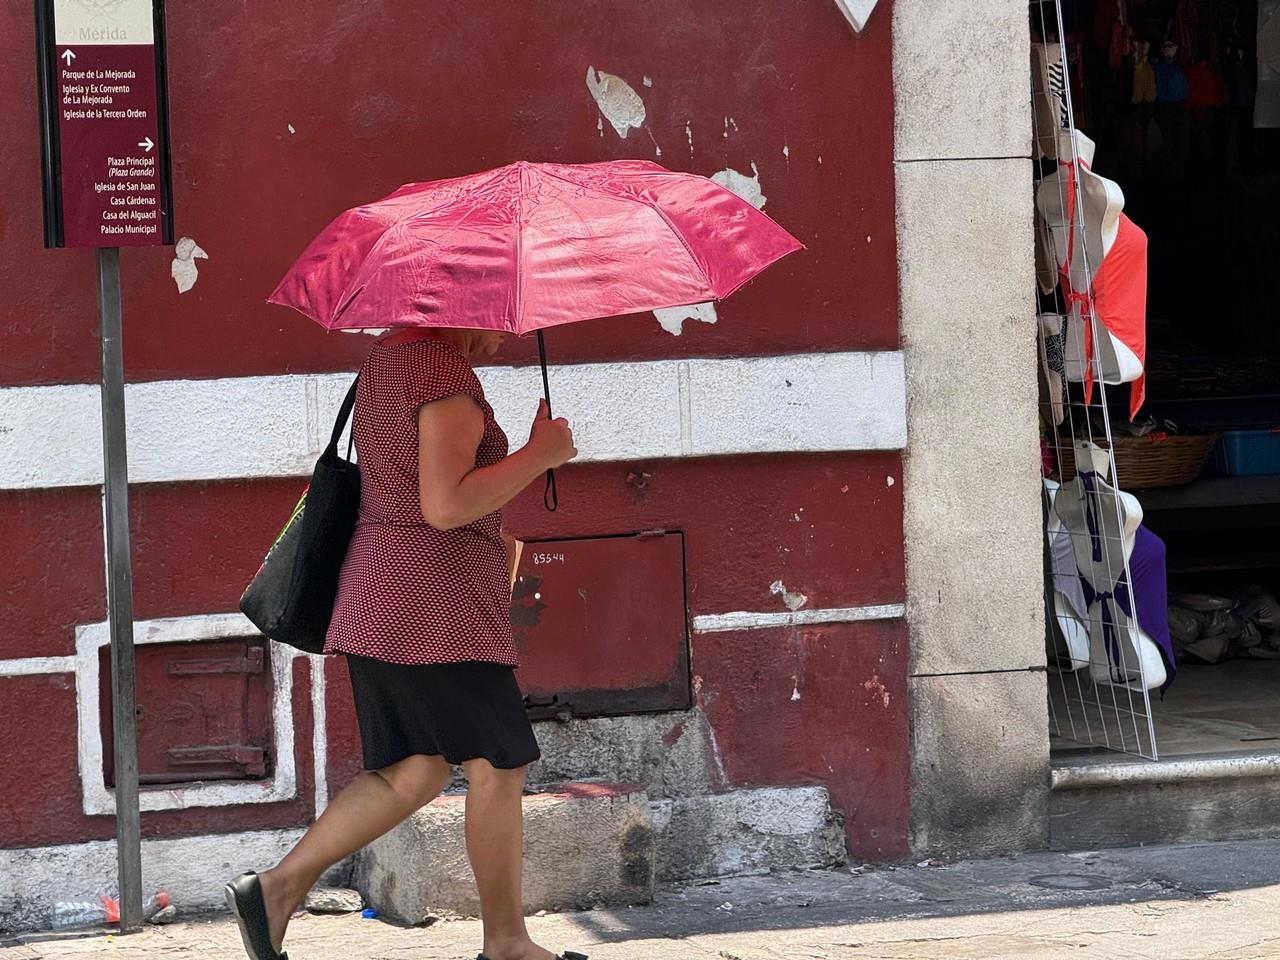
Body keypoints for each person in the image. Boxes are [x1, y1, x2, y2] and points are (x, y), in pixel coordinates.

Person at [225, 326, 583, 960]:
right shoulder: (442, 378)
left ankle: (276, 890)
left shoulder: (388, 358)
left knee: (409, 772)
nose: (510, 333)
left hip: (375, 600)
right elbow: (444, 506)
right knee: (498, 765)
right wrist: (540, 454)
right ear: (465, 305)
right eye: (501, 318)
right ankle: (506, 944)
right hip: (434, 612)